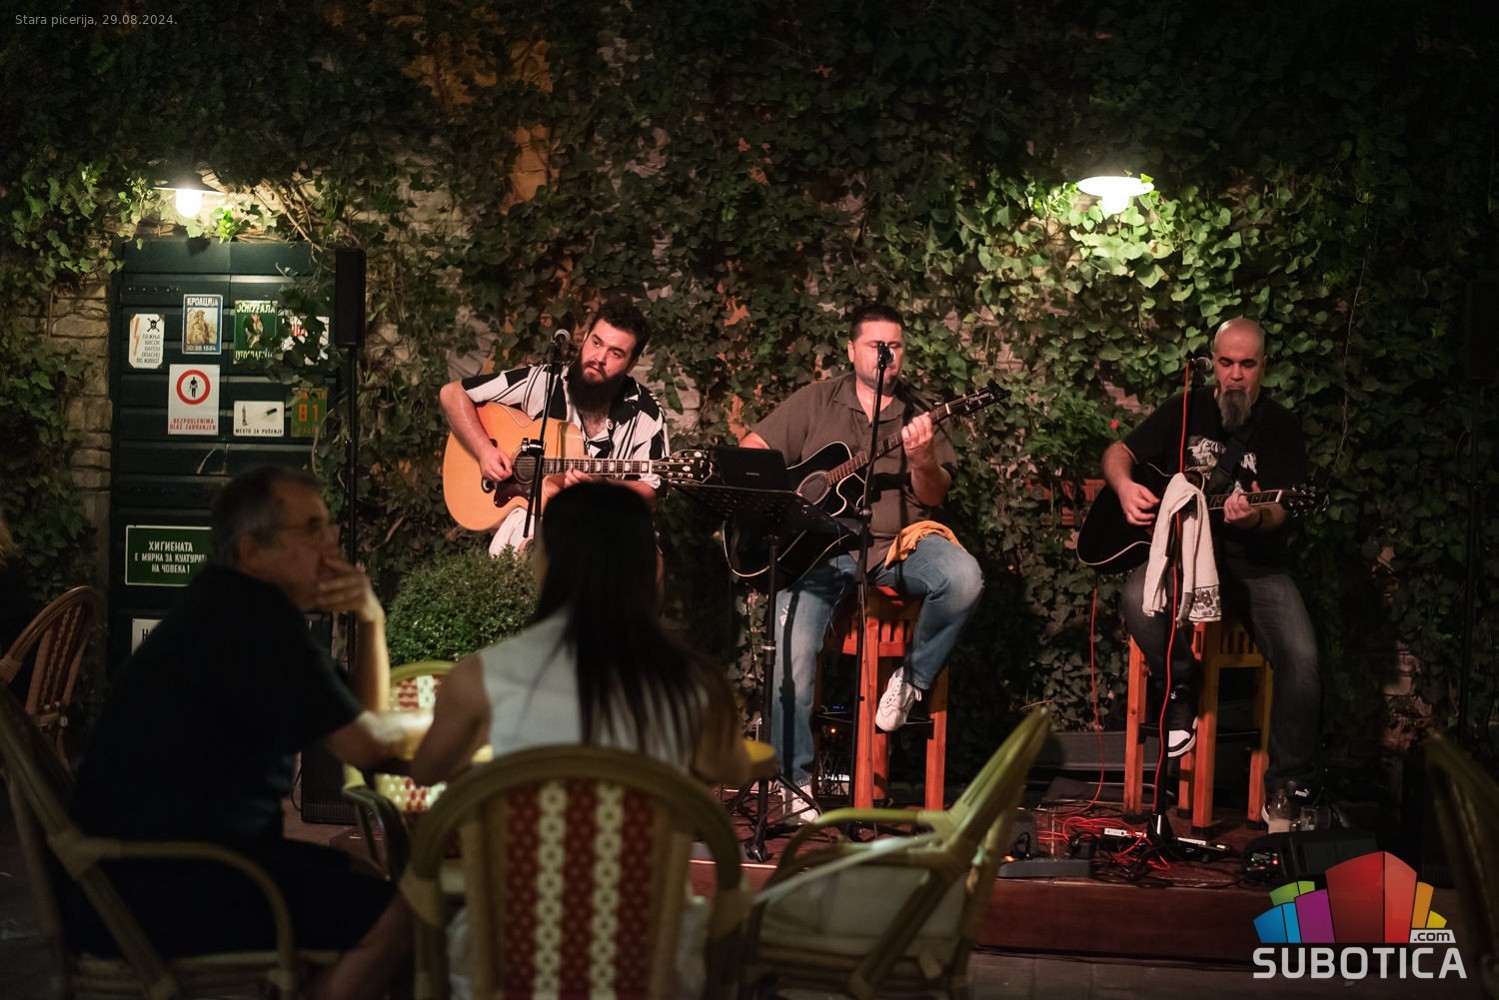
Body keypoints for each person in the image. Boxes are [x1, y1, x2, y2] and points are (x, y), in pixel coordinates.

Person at [69, 466, 426, 1000]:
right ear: (253, 551)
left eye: (327, 525)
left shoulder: (231, 606)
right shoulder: (254, 621)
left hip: (125, 884)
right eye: (311, 529)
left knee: (359, 869)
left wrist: (370, 618)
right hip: (166, 893)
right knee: (414, 911)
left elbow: (360, 723)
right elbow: (369, 745)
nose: (331, 542)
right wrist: (462, 719)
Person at [408, 481, 750, 998]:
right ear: (650, 569)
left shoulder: (480, 677)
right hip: (646, 958)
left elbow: (426, 771)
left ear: (543, 563)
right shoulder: (697, 685)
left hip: (511, 953)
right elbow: (734, 771)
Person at [739, 302, 984, 816]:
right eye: (875, 345)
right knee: (790, 650)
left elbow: (934, 495)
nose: (885, 355)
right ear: (851, 351)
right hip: (819, 552)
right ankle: (793, 783)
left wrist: (922, 460)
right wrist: (786, 500)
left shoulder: (920, 413)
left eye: (895, 346)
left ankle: (912, 681)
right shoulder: (817, 399)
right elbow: (752, 447)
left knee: (964, 577)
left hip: (897, 543)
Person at [1101, 316, 1321, 806]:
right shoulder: (1186, 409)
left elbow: (1280, 510)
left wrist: (1253, 518)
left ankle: (1288, 790)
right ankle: (1183, 683)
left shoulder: (1280, 426)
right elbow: (1118, 452)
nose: (1236, 374)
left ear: (1264, 366)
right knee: (1137, 600)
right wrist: (1125, 486)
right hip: (1182, 558)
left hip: (1254, 564)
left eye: (1247, 364)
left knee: (1302, 656)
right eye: (1226, 362)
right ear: (1212, 364)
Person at [438, 297, 670, 551]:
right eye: (596, 343)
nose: (599, 358)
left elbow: (651, 491)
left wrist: (602, 486)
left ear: (631, 364)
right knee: (531, 542)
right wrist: (484, 450)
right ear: (585, 339)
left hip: (606, 521)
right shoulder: (544, 381)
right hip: (536, 516)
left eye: (615, 354)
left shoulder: (646, 412)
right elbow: (453, 393)